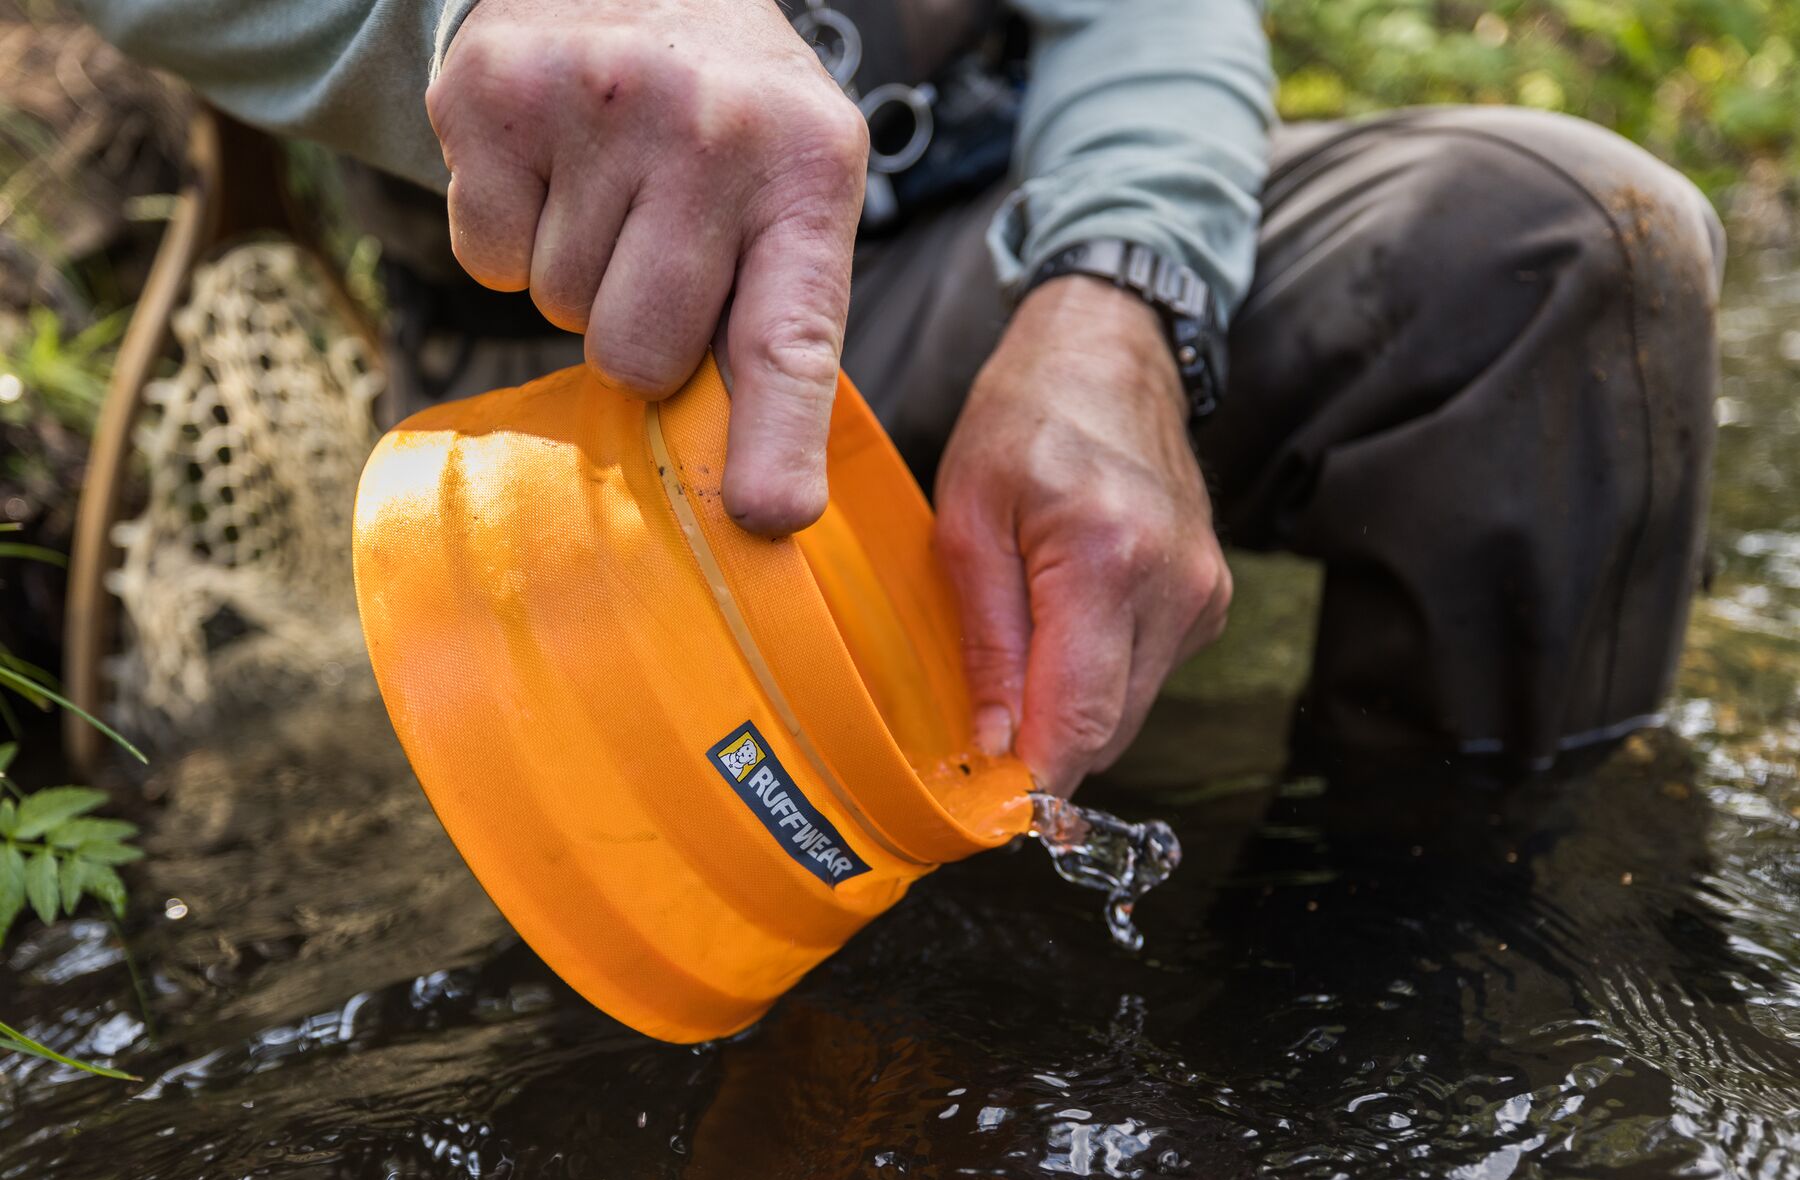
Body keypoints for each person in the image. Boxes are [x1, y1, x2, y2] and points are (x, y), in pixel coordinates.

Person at [69, 0, 1724, 794]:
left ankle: (1438, 946)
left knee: (1574, 247)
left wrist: (1121, 297)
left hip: (1003, 244)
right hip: (593, 336)